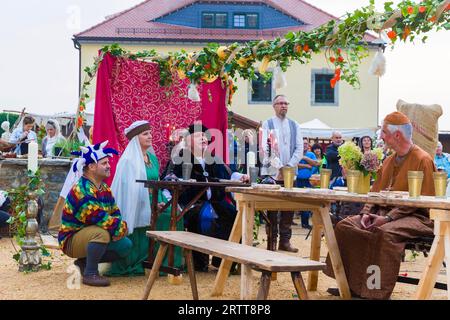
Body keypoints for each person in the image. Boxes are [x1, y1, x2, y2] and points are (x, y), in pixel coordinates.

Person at [324, 111, 436, 300]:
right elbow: (375, 193)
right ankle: (350, 286)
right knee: (346, 227)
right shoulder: (389, 160)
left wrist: (388, 218)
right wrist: (367, 213)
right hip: (383, 212)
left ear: (397, 135)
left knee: (383, 233)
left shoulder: (422, 159)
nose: (381, 136)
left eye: (384, 132)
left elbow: (424, 201)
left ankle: (374, 292)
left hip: (417, 217)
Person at [107, 120, 183, 276]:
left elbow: (157, 183)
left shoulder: (152, 158)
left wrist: (161, 201)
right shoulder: (128, 161)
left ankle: (169, 263)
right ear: (136, 138)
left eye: (150, 133)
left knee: (177, 214)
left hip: (157, 198)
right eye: (145, 134)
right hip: (138, 201)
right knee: (165, 217)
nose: (150, 136)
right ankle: (147, 261)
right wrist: (152, 204)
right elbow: (128, 190)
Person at [172, 123, 248, 271]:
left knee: (235, 216)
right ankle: (199, 262)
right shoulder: (181, 159)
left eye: (205, 136)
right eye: (199, 136)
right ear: (188, 141)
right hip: (192, 204)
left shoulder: (213, 158)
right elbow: (171, 180)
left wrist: (241, 177)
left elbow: (228, 175)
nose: (204, 138)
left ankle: (223, 261)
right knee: (203, 217)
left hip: (216, 202)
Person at [58, 141, 132, 287]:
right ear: (91, 167)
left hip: (91, 234)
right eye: (104, 163)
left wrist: (120, 228)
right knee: (101, 233)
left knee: (125, 245)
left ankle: (84, 263)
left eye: (108, 162)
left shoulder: (104, 188)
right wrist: (120, 228)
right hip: (70, 240)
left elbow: (115, 212)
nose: (109, 166)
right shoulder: (81, 189)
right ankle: (90, 273)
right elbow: (98, 217)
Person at [261, 94, 303, 252]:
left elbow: (299, 148)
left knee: (288, 208)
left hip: (291, 174)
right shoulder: (268, 123)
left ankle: (285, 241)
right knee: (272, 208)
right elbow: (266, 147)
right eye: (280, 103)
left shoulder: (294, 125)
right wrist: (278, 167)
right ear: (274, 106)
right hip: (273, 173)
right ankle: (272, 240)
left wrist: (289, 166)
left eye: (286, 103)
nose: (284, 105)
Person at [296, 138, 320, 229]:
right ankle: (300, 222)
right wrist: (306, 165)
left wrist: (304, 158)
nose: (305, 145)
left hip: (308, 181)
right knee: (298, 202)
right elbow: (294, 164)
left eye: (306, 144)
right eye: (303, 144)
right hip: (298, 180)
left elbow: (315, 164)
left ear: (308, 145)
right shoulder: (296, 153)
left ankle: (305, 223)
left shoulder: (311, 154)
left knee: (307, 201)